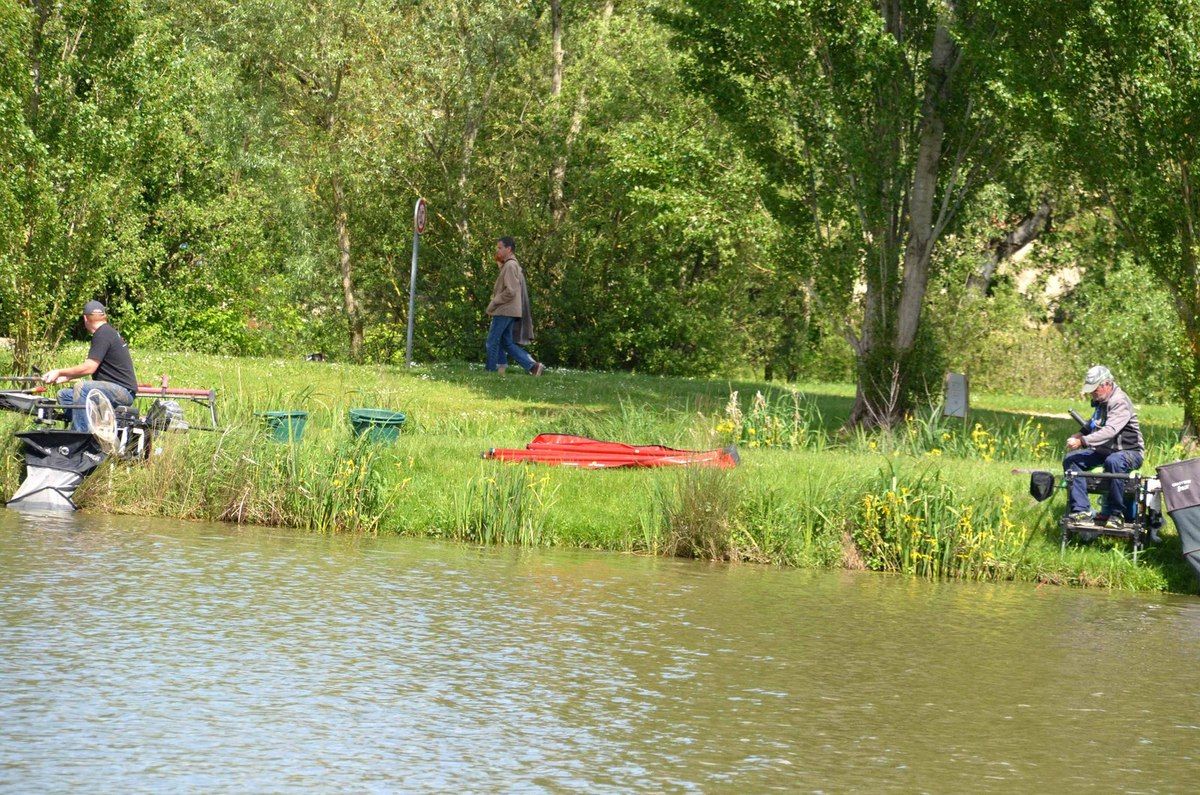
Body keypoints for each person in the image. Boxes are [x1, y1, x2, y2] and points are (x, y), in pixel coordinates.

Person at [1062, 365, 1144, 529]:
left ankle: (1116, 514)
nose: (1092, 393)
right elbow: (1092, 424)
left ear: (1106, 384)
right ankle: (1081, 511)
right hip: (1105, 450)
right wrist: (1078, 436)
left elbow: (1110, 431)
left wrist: (1083, 442)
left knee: (1114, 462)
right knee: (1071, 460)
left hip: (1129, 452)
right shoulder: (1101, 401)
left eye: (1094, 390)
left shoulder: (1119, 401)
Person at [42, 301, 138, 432]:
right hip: (115, 389)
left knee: (82, 387)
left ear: (85, 318)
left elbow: (90, 367)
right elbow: (97, 366)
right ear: (104, 316)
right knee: (65, 395)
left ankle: (81, 434)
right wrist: (67, 377)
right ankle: (95, 429)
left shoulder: (102, 333)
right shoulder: (108, 332)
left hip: (122, 391)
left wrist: (59, 372)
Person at [485, 236, 544, 376]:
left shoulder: (510, 265)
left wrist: (494, 302)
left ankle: (490, 369)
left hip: (505, 310)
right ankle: (533, 367)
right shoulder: (510, 264)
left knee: (492, 341)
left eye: (500, 248)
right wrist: (501, 266)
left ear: (509, 249)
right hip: (510, 310)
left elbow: (510, 291)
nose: (497, 250)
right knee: (506, 343)